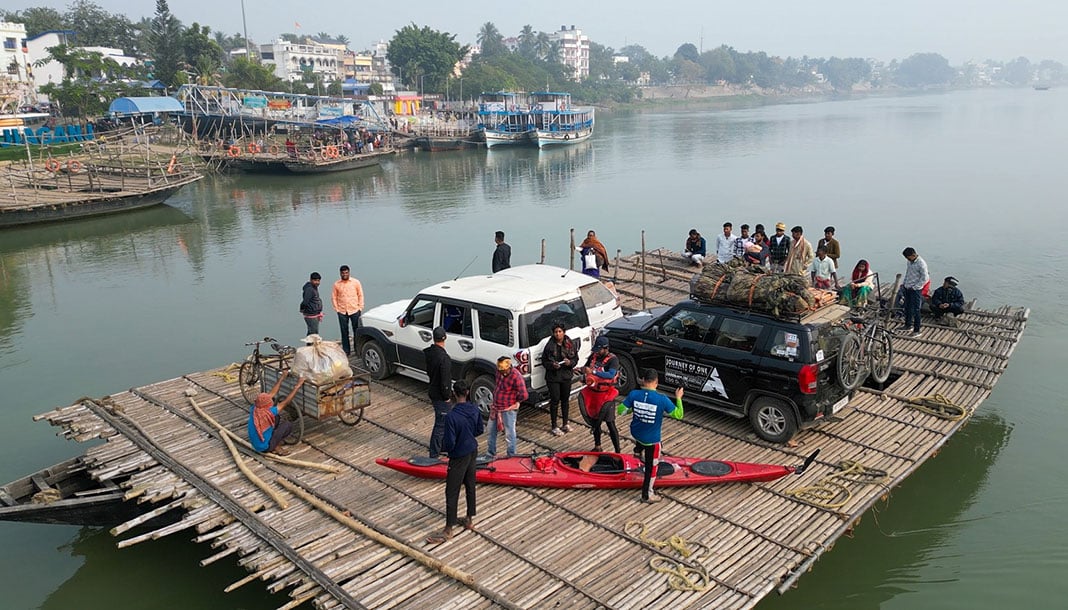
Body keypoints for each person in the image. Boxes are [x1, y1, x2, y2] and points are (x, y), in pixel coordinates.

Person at [425, 380, 484, 544]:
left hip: (459, 455)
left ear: (454, 394)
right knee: (470, 485)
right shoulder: (474, 408)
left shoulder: (452, 416)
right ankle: (469, 519)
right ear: (466, 393)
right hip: (473, 450)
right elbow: (480, 429)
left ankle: (449, 528)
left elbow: (449, 441)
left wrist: (448, 449)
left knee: (452, 491)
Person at [617, 369, 684, 503]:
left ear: (643, 380)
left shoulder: (634, 394)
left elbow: (621, 411)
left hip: (636, 433)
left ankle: (637, 450)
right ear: (656, 383)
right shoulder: (662, 399)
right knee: (652, 467)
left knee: (640, 435)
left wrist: (634, 408)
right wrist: (678, 398)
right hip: (652, 440)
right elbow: (679, 415)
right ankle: (647, 494)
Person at [247, 370, 306, 457]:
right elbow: (286, 402)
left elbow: (272, 393)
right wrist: (297, 386)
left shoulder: (255, 407)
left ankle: (272, 440)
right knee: (287, 425)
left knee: (277, 417)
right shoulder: (268, 412)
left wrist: (282, 378)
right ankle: (274, 445)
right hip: (265, 447)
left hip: (256, 444)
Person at [581, 336, 621, 453]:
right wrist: (582, 370)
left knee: (610, 423)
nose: (597, 352)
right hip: (593, 393)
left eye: (599, 350)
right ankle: (597, 445)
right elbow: (587, 367)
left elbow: (610, 375)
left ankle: (617, 450)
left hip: (606, 395)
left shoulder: (613, 360)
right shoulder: (594, 356)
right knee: (595, 420)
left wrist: (593, 372)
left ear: (605, 348)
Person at [485, 356, 527, 458]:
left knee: (509, 433)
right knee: (490, 431)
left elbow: (524, 394)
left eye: (504, 370)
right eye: (501, 370)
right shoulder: (498, 372)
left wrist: (517, 402)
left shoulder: (516, 376)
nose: (503, 373)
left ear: (509, 367)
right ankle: (490, 454)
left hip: (508, 409)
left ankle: (511, 455)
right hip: (496, 408)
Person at [540, 323, 578, 436]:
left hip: (566, 375)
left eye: (560, 331)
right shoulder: (549, 346)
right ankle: (554, 426)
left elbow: (575, 358)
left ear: (564, 332)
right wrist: (552, 365)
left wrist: (570, 362)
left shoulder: (570, 344)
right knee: (555, 400)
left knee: (565, 399)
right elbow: (544, 362)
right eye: (556, 332)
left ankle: (565, 423)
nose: (558, 334)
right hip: (553, 377)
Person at [425, 326, 452, 458]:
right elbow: (445, 380)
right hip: (440, 395)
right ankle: (434, 453)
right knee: (440, 424)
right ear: (444, 338)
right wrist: (447, 396)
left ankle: (443, 446)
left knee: (444, 421)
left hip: (432, 389)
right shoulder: (444, 358)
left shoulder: (429, 353)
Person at [332, 265, 364, 356]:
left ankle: (358, 350)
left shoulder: (355, 282)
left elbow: (360, 295)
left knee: (357, 331)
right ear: (340, 273)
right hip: (342, 311)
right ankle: (346, 351)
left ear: (349, 272)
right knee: (344, 331)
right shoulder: (336, 284)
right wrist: (336, 309)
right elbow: (334, 297)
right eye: (343, 273)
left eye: (346, 272)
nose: (345, 274)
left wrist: (360, 307)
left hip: (354, 310)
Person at [900, 247, 929, 337]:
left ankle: (917, 330)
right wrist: (904, 283)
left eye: (908, 257)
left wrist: (916, 287)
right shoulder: (909, 262)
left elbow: (925, 278)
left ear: (913, 255)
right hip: (908, 287)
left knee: (916, 309)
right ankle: (908, 325)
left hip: (916, 289)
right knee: (907, 306)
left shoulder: (921, 264)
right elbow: (908, 273)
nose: (908, 259)